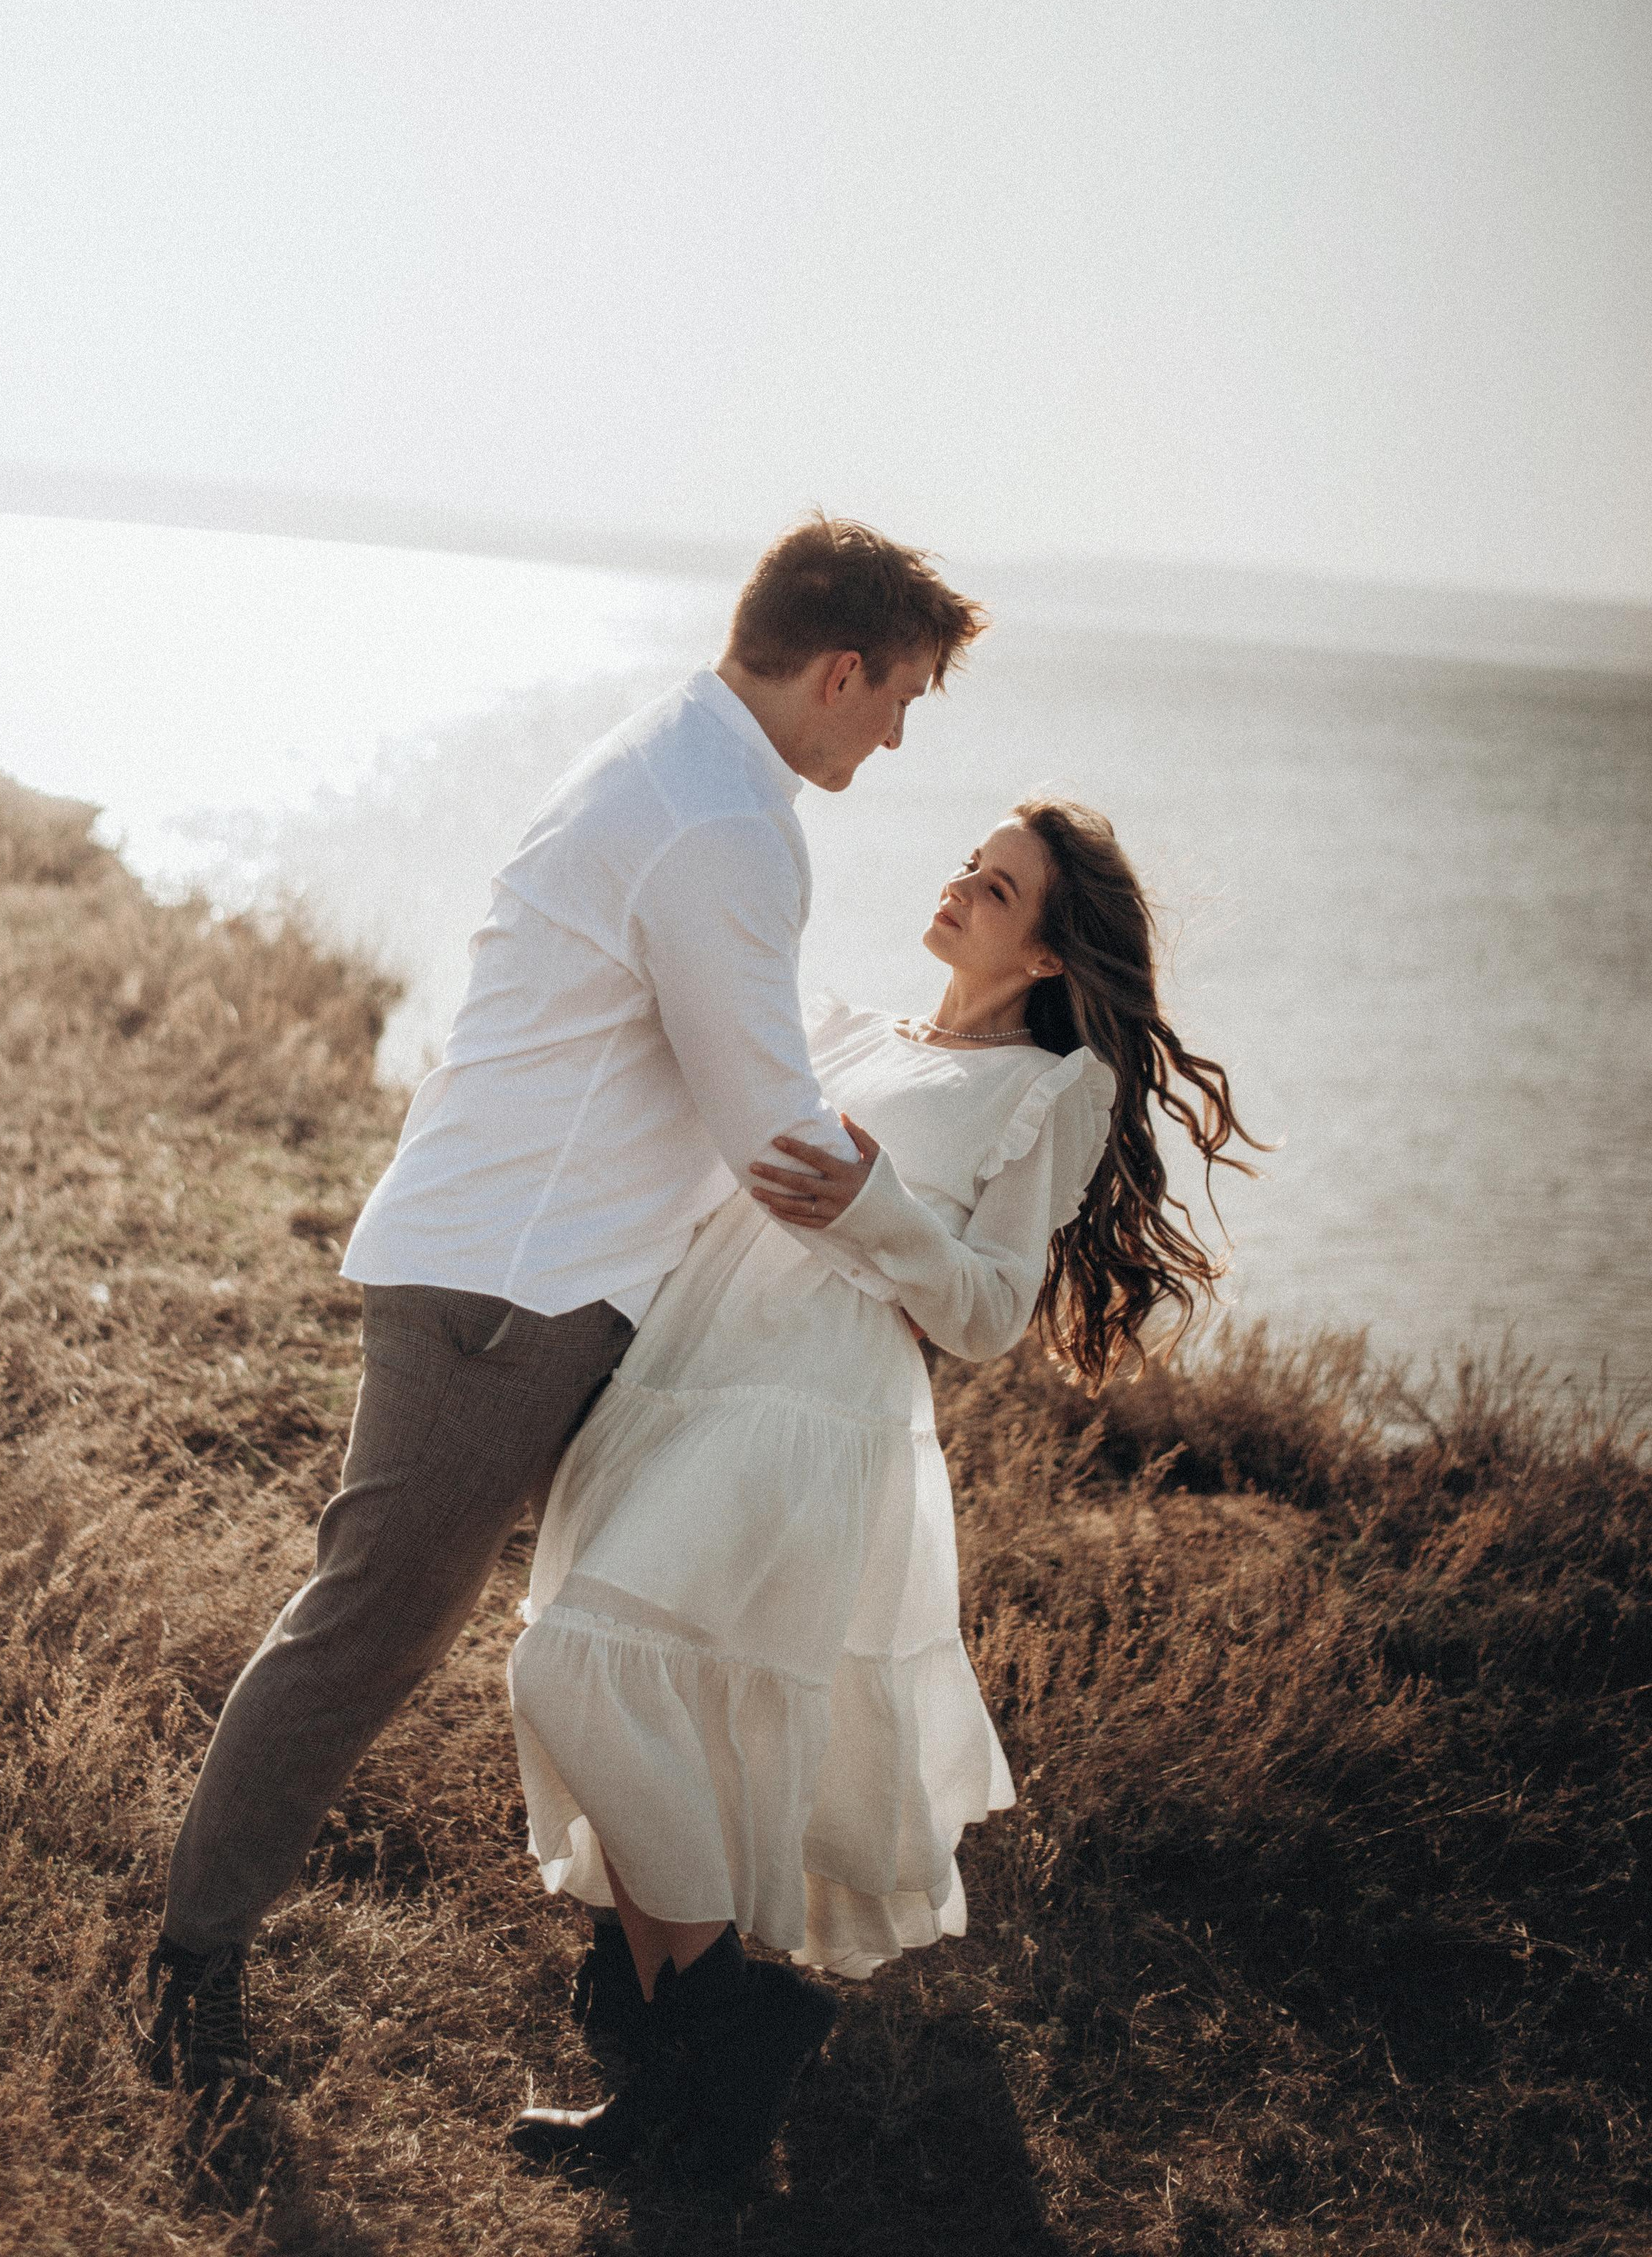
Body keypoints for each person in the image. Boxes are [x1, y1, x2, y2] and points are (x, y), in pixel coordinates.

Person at [140, 517, 986, 2100]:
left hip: (544, 1281)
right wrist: (940, 1237)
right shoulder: (721, 820)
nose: (894, 730)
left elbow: (744, 1065)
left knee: (641, 1619)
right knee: (371, 1629)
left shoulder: (682, 765)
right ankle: (190, 1967)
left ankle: (677, 2009)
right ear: (840, 666)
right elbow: (772, 1135)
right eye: (901, 697)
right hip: (504, 1294)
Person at [506, 797, 1263, 2182]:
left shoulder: (1047, 1090)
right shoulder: (853, 1028)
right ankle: (695, 2099)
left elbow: (986, 1313)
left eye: (999, 885)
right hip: (685, 1375)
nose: (961, 887)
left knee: (576, 1667)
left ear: (1047, 954)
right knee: (647, 1691)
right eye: (968, 865)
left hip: (805, 1410)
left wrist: (875, 1207)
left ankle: (729, 2015)